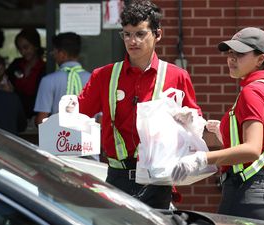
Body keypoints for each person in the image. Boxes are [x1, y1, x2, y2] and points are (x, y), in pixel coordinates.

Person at [72, 0, 201, 209]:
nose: (132, 41)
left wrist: (189, 118)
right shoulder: (104, 76)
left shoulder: (177, 76)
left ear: (157, 34)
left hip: (158, 178)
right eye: (127, 34)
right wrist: (64, 110)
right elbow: (77, 113)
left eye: (140, 34)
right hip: (117, 176)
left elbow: (195, 124)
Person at [171, 27, 264, 222]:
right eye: (230, 53)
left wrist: (202, 158)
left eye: (240, 54)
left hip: (249, 190)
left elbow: (252, 149)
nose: (231, 58)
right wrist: (214, 129)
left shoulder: (251, 92)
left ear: (260, 59)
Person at [34, 32, 91, 126]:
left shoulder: (48, 81)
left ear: (62, 54)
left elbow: (41, 120)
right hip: (86, 139)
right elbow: (100, 118)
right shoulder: (93, 79)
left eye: (54, 52)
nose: (53, 55)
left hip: (58, 139)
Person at [6, 28, 46, 119]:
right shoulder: (16, 64)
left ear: (35, 46)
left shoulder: (44, 69)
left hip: (35, 117)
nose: (23, 52)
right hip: (14, 114)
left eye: (26, 47)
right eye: (20, 49)